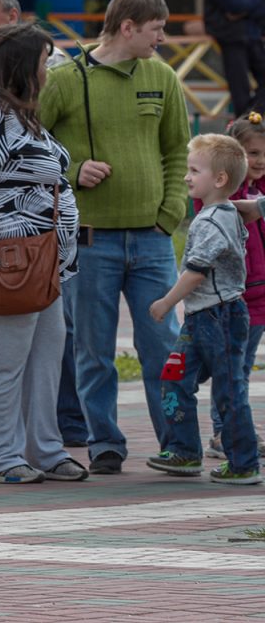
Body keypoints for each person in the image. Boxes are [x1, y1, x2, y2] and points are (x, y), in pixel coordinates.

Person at [39, 0, 190, 475]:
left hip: (152, 240)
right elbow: (29, 146)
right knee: (92, 349)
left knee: (164, 349)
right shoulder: (65, 79)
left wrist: (169, 213)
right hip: (90, 240)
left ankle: (177, 442)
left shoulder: (162, 77)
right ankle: (104, 441)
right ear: (127, 27)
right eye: (156, 29)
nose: (162, 38)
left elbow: (177, 153)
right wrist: (73, 169)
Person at [0, 22, 86, 484]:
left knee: (46, 355)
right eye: (45, 61)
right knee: (4, 359)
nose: (50, 70)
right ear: (23, 66)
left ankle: (43, 448)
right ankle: (1, 455)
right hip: (5, 259)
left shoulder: (20, 111)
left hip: (44, 261)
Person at [148, 133, 260, 485]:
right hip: (201, 319)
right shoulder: (219, 214)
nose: (186, 177)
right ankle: (183, 450)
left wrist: (167, 302)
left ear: (220, 180)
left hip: (221, 317)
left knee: (229, 390)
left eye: (194, 170)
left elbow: (197, 271)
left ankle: (243, 462)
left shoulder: (214, 221)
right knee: (174, 378)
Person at [200, 113, 265, 460]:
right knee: (231, 370)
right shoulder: (220, 191)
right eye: (252, 153)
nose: (260, 161)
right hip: (235, 296)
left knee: (242, 368)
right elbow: (219, 209)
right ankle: (224, 433)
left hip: (261, 295)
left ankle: (238, 430)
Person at [203, 0, 265, 117]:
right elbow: (233, 5)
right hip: (231, 37)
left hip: (251, 36)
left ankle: (252, 117)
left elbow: (257, 4)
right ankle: (244, 128)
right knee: (240, 91)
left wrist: (242, 10)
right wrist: (247, 5)